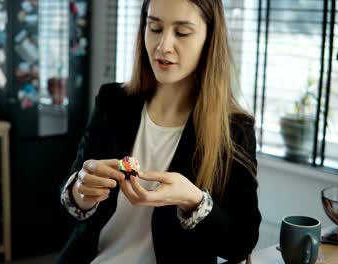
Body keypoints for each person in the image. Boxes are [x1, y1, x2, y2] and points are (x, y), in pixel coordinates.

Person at [57, 0, 261, 263]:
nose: (163, 46)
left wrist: (193, 200)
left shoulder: (234, 128)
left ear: (210, 38)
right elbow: (70, 200)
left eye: (182, 32)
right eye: (154, 28)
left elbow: (241, 243)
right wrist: (81, 190)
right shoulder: (112, 101)